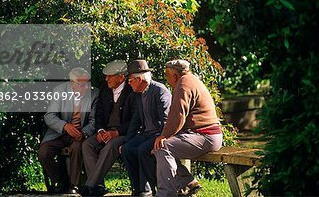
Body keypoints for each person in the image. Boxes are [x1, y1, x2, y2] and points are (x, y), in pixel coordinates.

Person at [153, 60, 222, 197]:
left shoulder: (183, 84)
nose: (166, 79)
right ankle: (188, 183)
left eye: (167, 75)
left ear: (175, 76)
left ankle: (166, 194)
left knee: (162, 146)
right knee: (159, 148)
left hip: (206, 136)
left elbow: (177, 117)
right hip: (206, 135)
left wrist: (164, 136)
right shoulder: (191, 80)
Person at [38, 67, 99, 195]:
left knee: (77, 148)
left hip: (79, 134)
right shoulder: (59, 91)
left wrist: (83, 133)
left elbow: (94, 121)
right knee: (43, 153)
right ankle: (61, 180)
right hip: (59, 132)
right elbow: (49, 116)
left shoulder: (94, 94)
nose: (87, 87)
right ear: (73, 83)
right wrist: (65, 126)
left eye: (88, 83)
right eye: (83, 84)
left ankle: (74, 184)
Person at [80, 60, 136, 196]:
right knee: (87, 144)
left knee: (111, 146)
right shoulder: (105, 89)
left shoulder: (132, 91)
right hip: (106, 132)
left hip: (123, 134)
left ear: (121, 77)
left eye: (110, 76)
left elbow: (135, 120)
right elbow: (99, 113)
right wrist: (100, 130)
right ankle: (98, 186)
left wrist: (117, 132)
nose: (106, 79)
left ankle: (90, 185)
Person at [121, 59, 172, 196]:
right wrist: (127, 141)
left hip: (161, 134)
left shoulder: (160, 90)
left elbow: (166, 118)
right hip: (147, 133)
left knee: (143, 150)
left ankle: (152, 188)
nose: (129, 83)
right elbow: (136, 120)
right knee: (127, 149)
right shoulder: (138, 95)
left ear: (139, 79)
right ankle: (138, 189)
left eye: (131, 80)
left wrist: (162, 137)